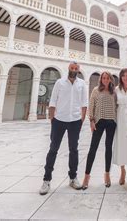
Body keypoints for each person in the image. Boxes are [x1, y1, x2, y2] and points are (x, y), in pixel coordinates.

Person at [39, 61, 88, 195]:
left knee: (74, 149)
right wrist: (52, 118)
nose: (73, 70)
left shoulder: (82, 84)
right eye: (72, 68)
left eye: (76, 68)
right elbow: (53, 101)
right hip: (59, 120)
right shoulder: (60, 82)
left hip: (75, 121)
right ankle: (46, 180)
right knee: (53, 149)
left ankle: (73, 178)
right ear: (68, 68)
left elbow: (84, 102)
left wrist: (82, 118)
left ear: (78, 70)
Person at [82, 71, 117, 190]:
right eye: (104, 78)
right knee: (93, 149)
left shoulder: (114, 92)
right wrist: (91, 121)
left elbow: (117, 107)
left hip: (111, 122)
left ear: (110, 80)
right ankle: (86, 177)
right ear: (101, 79)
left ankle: (107, 175)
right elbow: (91, 106)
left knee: (108, 149)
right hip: (99, 122)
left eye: (108, 78)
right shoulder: (96, 90)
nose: (106, 80)